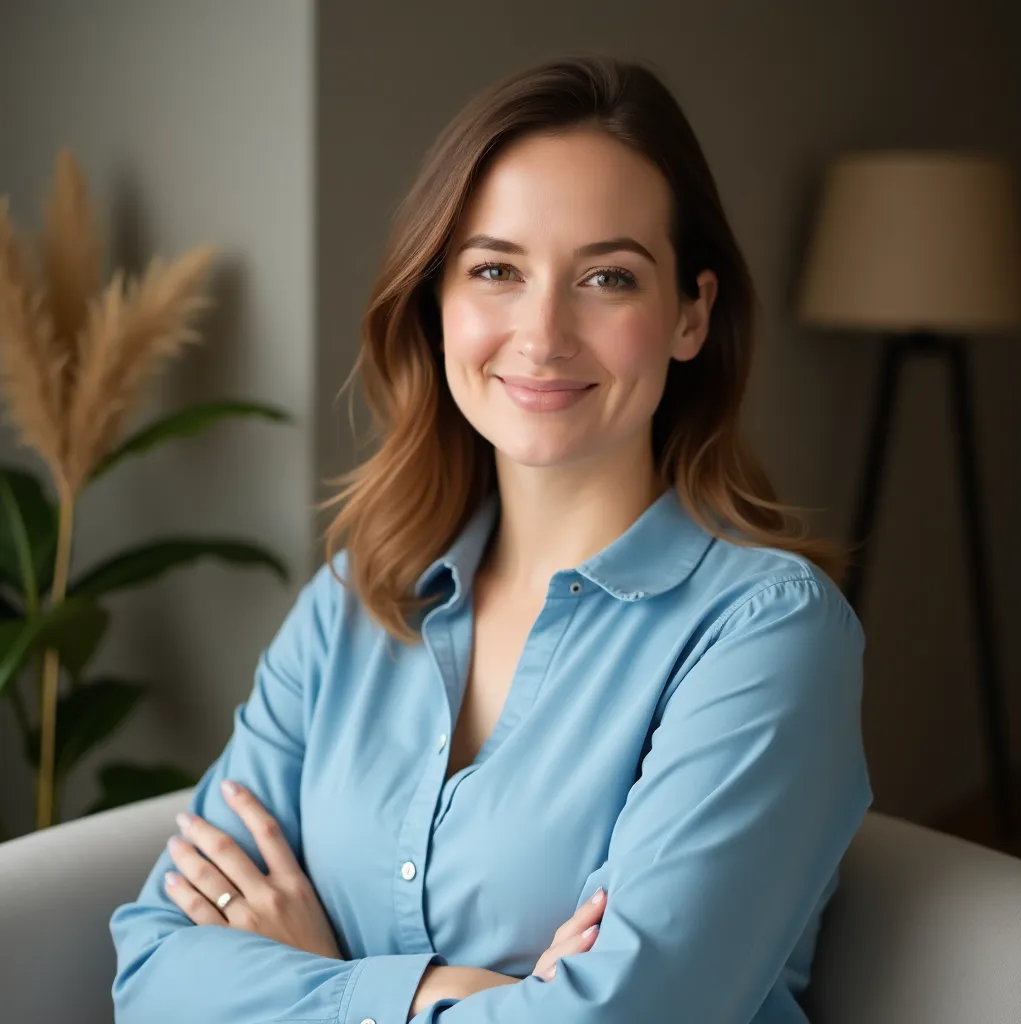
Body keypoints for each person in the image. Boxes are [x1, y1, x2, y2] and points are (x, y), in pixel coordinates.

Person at [110, 55, 872, 1024]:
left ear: (690, 314)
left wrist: (320, 978)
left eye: (607, 277)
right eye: (496, 270)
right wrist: (450, 992)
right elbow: (153, 966)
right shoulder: (352, 600)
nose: (543, 334)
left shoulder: (767, 635)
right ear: (437, 303)